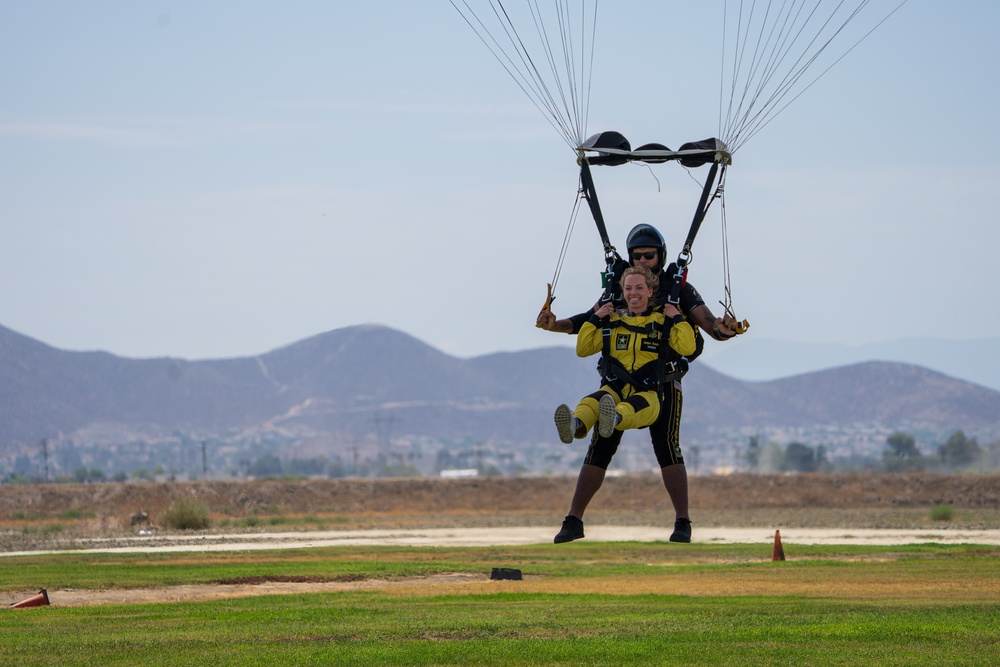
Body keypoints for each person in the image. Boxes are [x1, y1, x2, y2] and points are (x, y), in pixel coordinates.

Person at [536, 223, 739, 544]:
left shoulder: (678, 291)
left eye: (650, 255)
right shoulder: (621, 287)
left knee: (667, 447)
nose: (643, 261)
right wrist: (554, 325)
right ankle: (573, 521)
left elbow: (709, 324)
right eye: (637, 255)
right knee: (599, 445)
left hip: (663, 380)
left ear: (661, 256)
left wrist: (724, 328)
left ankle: (682, 523)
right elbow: (586, 320)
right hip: (617, 379)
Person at [554, 266, 696, 448]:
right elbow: (583, 349)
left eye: (639, 288)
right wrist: (595, 318)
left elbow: (687, 347)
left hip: (648, 393)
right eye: (628, 289)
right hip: (614, 388)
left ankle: (613, 418)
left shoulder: (662, 323)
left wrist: (676, 317)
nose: (633, 293)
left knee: (628, 408)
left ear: (650, 291)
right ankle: (575, 424)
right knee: (590, 402)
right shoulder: (614, 323)